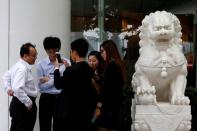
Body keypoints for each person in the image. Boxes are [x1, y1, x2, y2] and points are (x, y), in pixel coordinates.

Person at [54, 38, 97, 131]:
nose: (71, 53)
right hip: (85, 111)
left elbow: (58, 84)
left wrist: (56, 68)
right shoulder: (89, 69)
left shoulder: (70, 71)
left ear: (75, 52)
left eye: (71, 51)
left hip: (70, 112)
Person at [36, 36, 70, 131]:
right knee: (44, 125)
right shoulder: (40, 64)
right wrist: (57, 77)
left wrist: (49, 79)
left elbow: (65, 83)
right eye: (49, 52)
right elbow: (40, 87)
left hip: (61, 98)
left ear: (58, 49)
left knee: (59, 126)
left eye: (55, 51)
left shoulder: (66, 62)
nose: (53, 54)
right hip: (46, 98)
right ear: (46, 51)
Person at [2, 43, 38, 131]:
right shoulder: (22, 68)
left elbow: (5, 76)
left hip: (18, 103)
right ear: (25, 56)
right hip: (23, 106)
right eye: (34, 56)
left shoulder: (17, 65)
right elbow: (17, 88)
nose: (36, 58)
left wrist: (8, 88)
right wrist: (28, 103)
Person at [96, 40, 126, 131]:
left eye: (102, 51)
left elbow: (107, 89)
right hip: (115, 106)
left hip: (109, 106)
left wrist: (99, 105)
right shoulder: (117, 64)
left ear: (108, 51)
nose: (101, 54)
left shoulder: (112, 66)